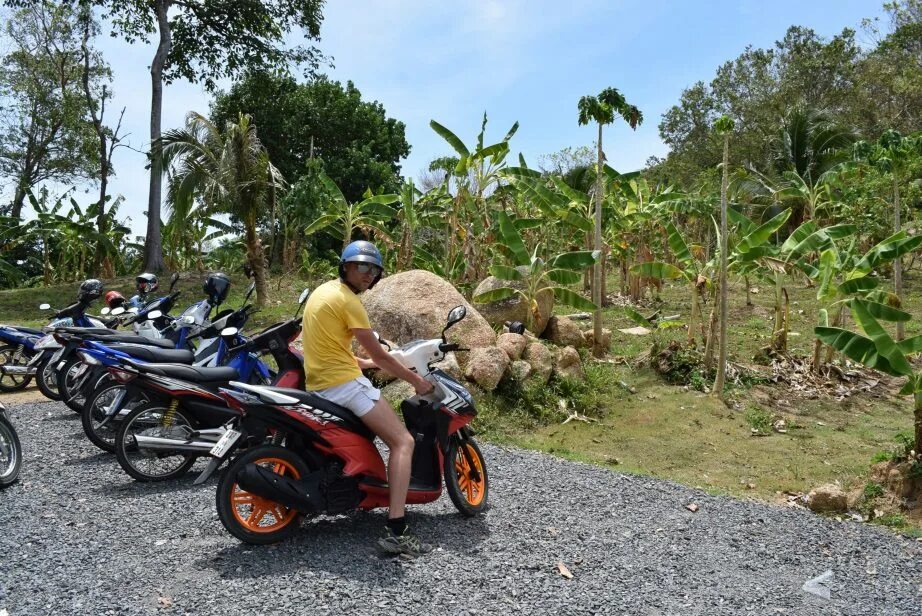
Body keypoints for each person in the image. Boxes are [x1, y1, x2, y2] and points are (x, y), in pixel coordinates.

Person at [301, 240, 435, 557]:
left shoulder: (324, 292)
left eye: (374, 270)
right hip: (343, 385)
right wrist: (417, 381)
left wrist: (364, 363)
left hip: (320, 382)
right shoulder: (350, 302)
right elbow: (383, 356)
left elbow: (332, 346)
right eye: (362, 267)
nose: (368, 275)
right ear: (345, 266)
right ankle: (397, 529)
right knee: (403, 442)